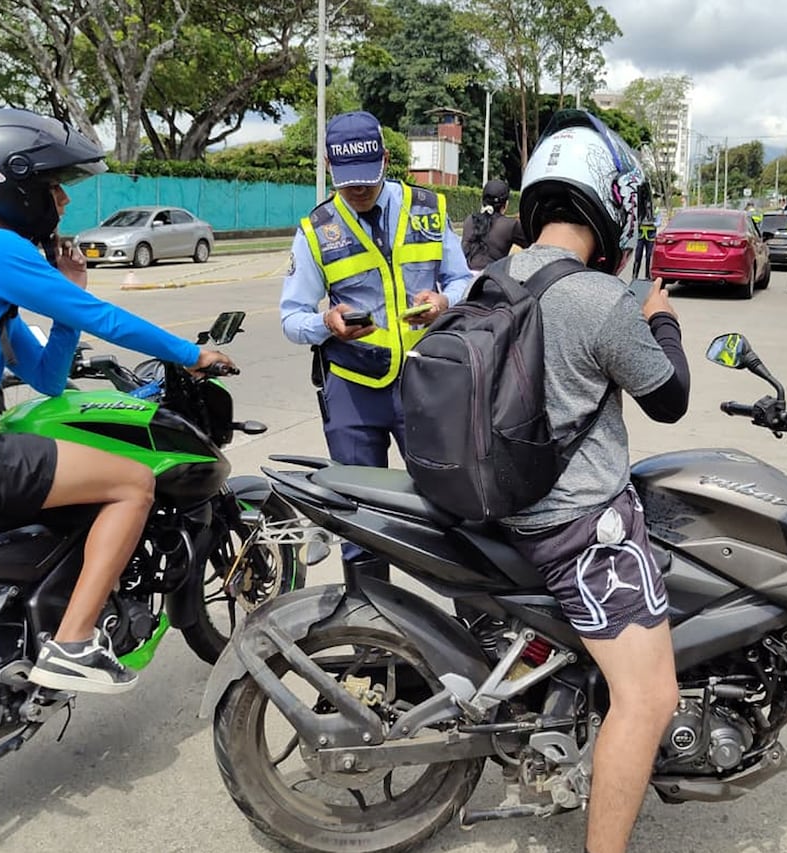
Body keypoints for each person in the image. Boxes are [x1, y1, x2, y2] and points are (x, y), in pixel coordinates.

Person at [0, 108, 236, 694]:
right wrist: (191, 354)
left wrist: (68, 297)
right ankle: (74, 643)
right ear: (15, 189)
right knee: (132, 483)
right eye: (54, 187)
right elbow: (107, 319)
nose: (64, 202)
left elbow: (48, 377)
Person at [501, 109, 690, 853]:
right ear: (613, 206)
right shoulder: (602, 300)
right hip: (580, 526)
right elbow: (669, 398)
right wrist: (661, 315)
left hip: (506, 506)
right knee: (649, 697)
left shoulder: (495, 275)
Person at [280, 110, 471, 581]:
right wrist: (326, 322)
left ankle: (480, 625)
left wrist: (445, 300)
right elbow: (291, 317)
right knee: (359, 519)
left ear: (386, 159)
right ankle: (371, 622)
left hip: (427, 383)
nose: (359, 191)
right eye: (348, 183)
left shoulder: (428, 209)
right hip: (352, 389)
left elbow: (464, 279)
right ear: (329, 166)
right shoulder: (315, 231)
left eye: (368, 179)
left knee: (454, 509)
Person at [461, 178, 528, 271]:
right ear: (506, 204)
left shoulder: (470, 220)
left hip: (464, 278)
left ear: (483, 201)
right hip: (490, 280)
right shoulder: (510, 225)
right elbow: (533, 244)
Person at [631, 196, 658, 280]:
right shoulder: (638, 209)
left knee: (649, 256)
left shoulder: (655, 210)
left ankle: (648, 275)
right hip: (640, 235)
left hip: (650, 235)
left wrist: (653, 223)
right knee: (638, 255)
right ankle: (635, 275)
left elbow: (658, 222)